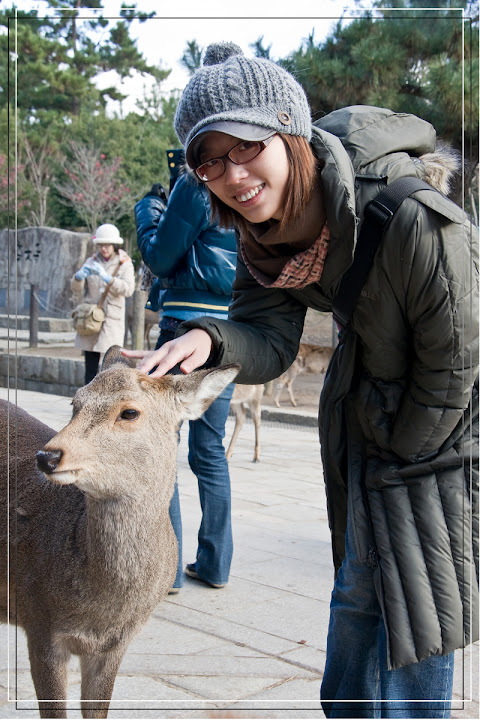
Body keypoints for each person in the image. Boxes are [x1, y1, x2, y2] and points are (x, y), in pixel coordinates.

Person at [123, 42, 479, 718]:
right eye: (209, 160)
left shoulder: (414, 218)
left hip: (441, 429)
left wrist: (403, 454)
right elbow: (269, 338)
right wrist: (210, 338)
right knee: (357, 598)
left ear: (288, 130)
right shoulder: (269, 232)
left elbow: (457, 363)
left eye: (245, 146)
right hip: (366, 418)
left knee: (415, 604)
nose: (232, 175)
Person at [133, 167, 237, 591]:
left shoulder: (197, 181)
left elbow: (159, 256)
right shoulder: (246, 182)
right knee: (210, 450)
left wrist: (147, 208)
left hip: (182, 329)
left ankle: (170, 569)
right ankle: (215, 565)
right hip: (227, 332)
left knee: (163, 444)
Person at [72, 223, 134, 384]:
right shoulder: (91, 261)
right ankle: (87, 396)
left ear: (114, 245)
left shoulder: (124, 263)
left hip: (111, 319)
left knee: (110, 364)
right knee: (90, 365)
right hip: (91, 317)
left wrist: (109, 279)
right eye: (101, 245)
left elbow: (128, 289)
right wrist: (78, 277)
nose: (104, 248)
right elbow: (76, 289)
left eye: (107, 245)